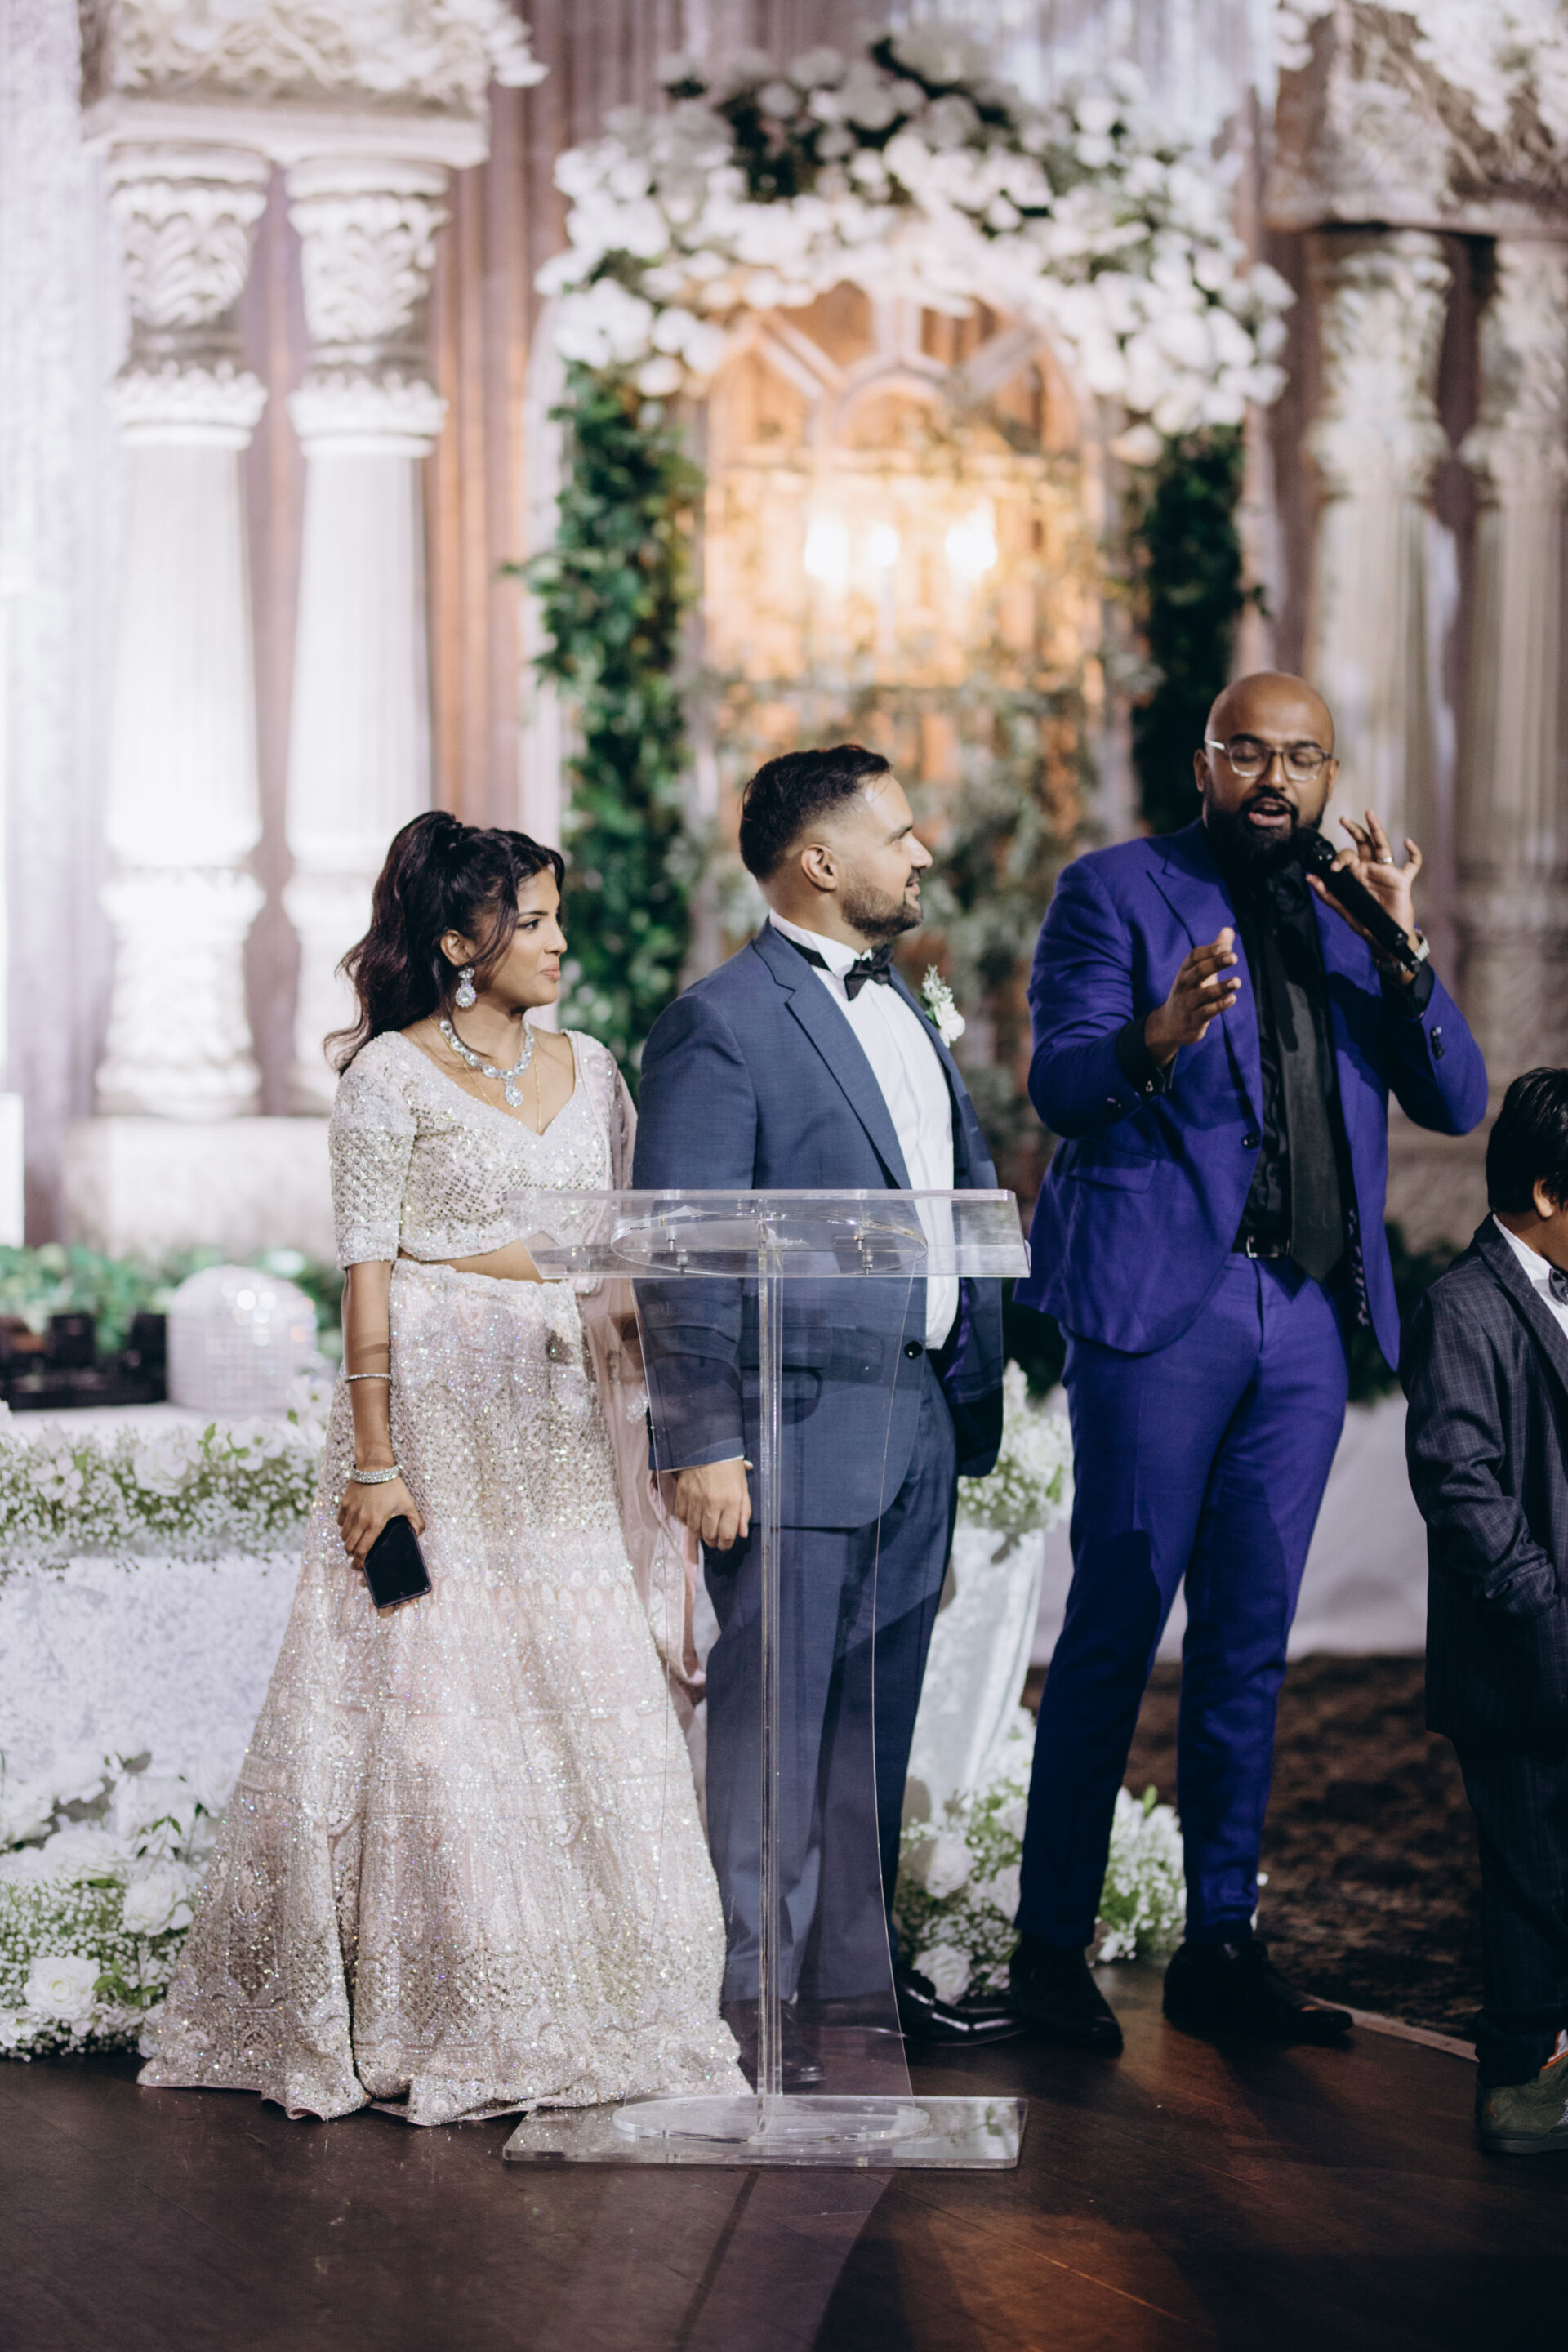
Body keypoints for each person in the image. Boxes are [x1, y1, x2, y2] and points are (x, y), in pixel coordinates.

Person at [141, 812, 741, 2124]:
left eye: (557, 916)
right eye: (534, 921)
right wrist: (374, 1467)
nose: (561, 942)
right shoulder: (389, 1081)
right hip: (439, 1439)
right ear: (462, 943)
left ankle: (617, 1988)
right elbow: (366, 1284)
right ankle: (454, 1993)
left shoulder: (594, 1069)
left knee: (585, 1690)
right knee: (436, 1710)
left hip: (560, 1439)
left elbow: (625, 1254)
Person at [1013, 672, 1486, 2053]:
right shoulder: (1115, 891)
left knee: (1249, 1644)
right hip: (1168, 1305)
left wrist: (1403, 948)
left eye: (1301, 758)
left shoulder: (1353, 912)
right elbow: (1061, 1085)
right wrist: (1156, 1036)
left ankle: (1222, 1940)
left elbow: (1455, 1098)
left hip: (1304, 1313)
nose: (1275, 779)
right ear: (1205, 765)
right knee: (1116, 1628)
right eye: (1248, 754)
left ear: (1330, 775)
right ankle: (1049, 1947)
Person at [632, 743, 1019, 2067]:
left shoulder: (906, 1002)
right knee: (777, 1733)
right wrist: (705, 1440)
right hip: (791, 1433)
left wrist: (967, 1390)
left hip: (916, 1417)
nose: (921, 855)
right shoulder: (721, 1023)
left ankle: (856, 1987)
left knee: (873, 1729)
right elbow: (682, 1251)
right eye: (897, 835)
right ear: (818, 860)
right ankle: (756, 2003)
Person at [1405, 1070, 1568, 2156]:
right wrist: (1545, 1610)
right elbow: (1460, 1485)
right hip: (1520, 1659)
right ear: (1548, 1194)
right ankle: (1517, 2086)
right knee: (1531, 1882)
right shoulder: (1464, 1306)